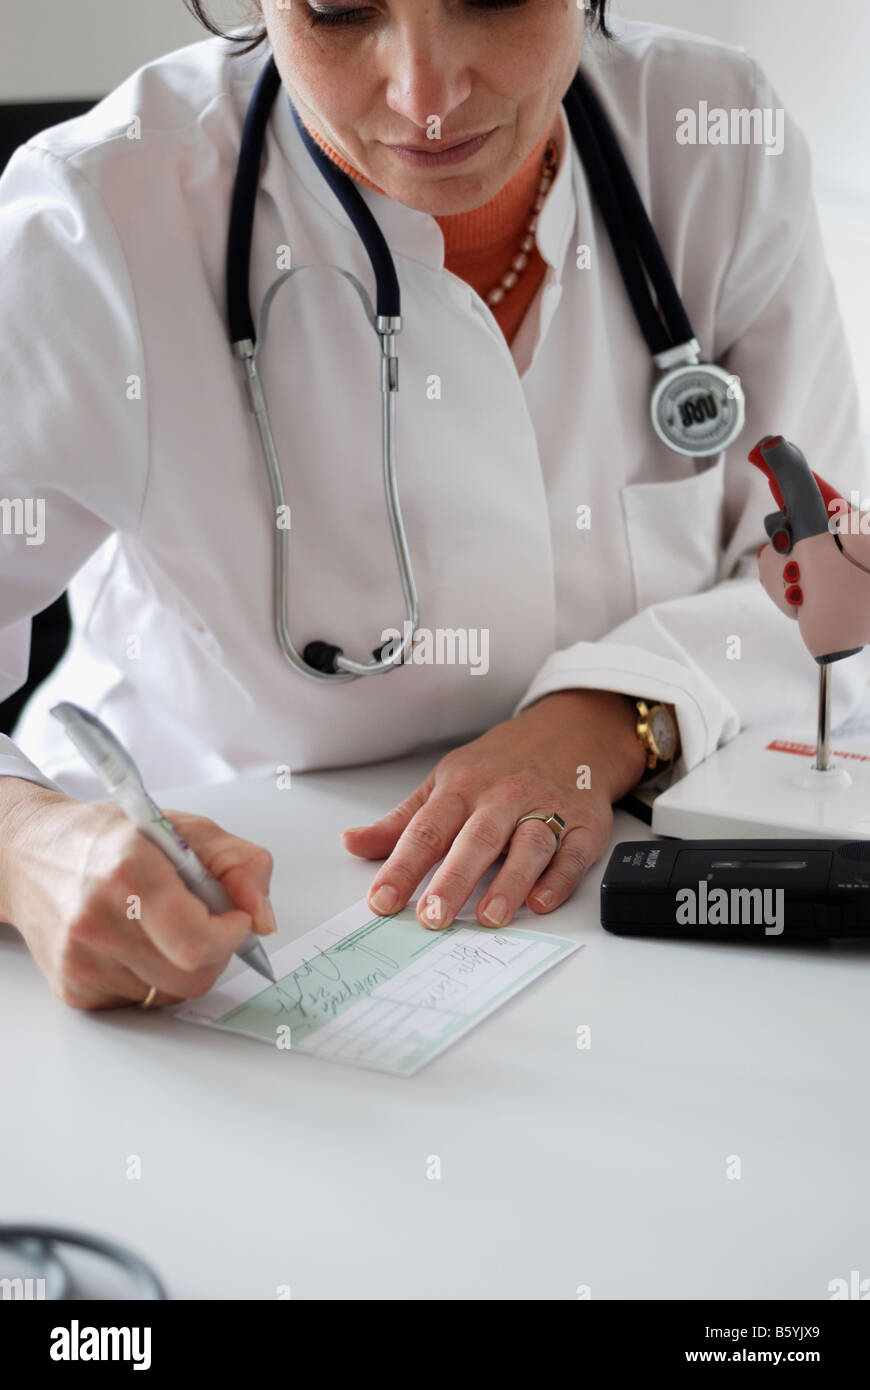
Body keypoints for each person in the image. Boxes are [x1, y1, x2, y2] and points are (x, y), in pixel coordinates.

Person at [0, 1, 866, 1009]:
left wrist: (610, 715)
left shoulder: (714, 138)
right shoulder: (94, 218)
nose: (426, 95)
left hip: (623, 923)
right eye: (336, 10)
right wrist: (27, 845)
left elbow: (831, 571)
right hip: (199, 939)